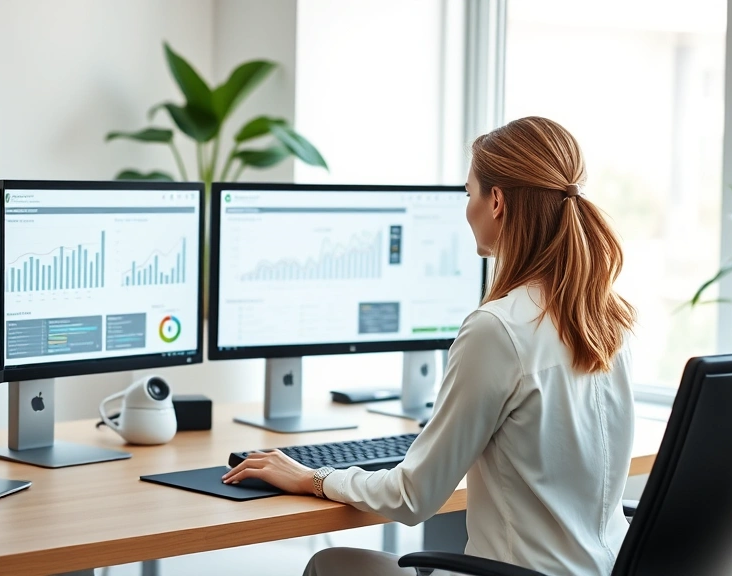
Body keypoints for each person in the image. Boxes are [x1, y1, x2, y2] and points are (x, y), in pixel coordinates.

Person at [222, 116, 637, 576]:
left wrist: (311, 476)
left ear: (495, 201)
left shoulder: (497, 329)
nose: (467, 207)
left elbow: (413, 495)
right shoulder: (607, 318)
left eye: (468, 193)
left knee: (331, 563)